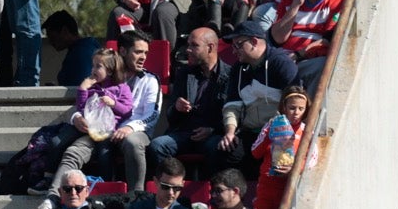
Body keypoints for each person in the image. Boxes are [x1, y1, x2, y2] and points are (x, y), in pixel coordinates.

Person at [37, 46, 134, 198]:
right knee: (56, 142)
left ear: (109, 70)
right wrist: (83, 89)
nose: (93, 69)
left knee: (104, 153)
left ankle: (104, 185)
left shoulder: (121, 88)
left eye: (98, 66)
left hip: (105, 130)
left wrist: (113, 103)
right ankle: (48, 177)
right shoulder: (91, 87)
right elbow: (81, 108)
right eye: (93, 65)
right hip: (85, 127)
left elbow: (128, 110)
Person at [216, 18, 299, 171]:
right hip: (251, 132)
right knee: (222, 154)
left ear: (254, 41)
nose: (234, 51)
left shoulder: (281, 63)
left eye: (238, 45)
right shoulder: (238, 69)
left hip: (278, 133)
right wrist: (230, 132)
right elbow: (232, 105)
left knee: (270, 161)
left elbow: (296, 102)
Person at [148, 27, 230, 170]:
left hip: (214, 134)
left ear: (210, 48)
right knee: (158, 145)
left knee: (217, 146)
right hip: (185, 133)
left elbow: (234, 113)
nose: (188, 50)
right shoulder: (184, 73)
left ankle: (211, 189)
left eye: (194, 45)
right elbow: (170, 116)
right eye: (188, 44)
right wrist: (176, 108)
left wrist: (212, 130)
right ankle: (171, 186)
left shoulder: (230, 75)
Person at [268, 0, 342, 90]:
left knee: (322, 65)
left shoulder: (336, 4)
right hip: (284, 57)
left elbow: (327, 40)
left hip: (309, 59)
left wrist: (298, 55)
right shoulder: (289, 0)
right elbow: (278, 38)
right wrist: (295, 5)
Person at [250, 84, 313, 209]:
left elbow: (312, 161)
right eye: (292, 108)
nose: (296, 112)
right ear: (283, 107)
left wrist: (294, 170)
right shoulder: (271, 125)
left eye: (301, 109)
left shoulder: (307, 132)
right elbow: (255, 152)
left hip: (290, 187)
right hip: (267, 185)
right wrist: (269, 135)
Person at [41, 10, 101, 87]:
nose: (50, 42)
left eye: (52, 37)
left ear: (65, 31)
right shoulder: (82, 49)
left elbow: (82, 87)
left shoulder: (81, 53)